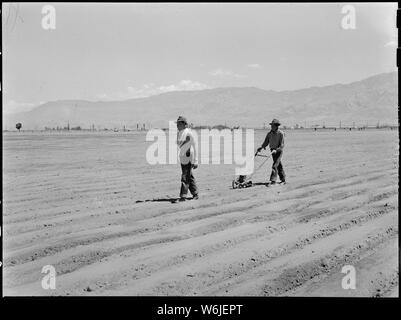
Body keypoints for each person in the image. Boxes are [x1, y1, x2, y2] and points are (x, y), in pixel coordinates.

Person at [257, 118, 286, 185]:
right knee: (278, 165)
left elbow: (282, 145)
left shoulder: (281, 133)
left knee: (275, 165)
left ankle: (273, 180)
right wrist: (261, 147)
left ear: (276, 126)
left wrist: (276, 150)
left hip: (278, 151)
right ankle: (283, 179)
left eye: (273, 125)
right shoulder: (269, 134)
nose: (271, 127)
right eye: (271, 125)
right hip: (272, 151)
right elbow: (266, 142)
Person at [176, 116, 199, 201]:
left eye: (179, 123)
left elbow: (194, 146)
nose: (177, 125)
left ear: (184, 124)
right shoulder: (179, 133)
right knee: (189, 175)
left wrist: (195, 160)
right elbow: (179, 145)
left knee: (185, 176)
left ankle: (183, 196)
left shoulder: (189, 132)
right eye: (177, 123)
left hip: (189, 156)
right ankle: (195, 194)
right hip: (183, 156)